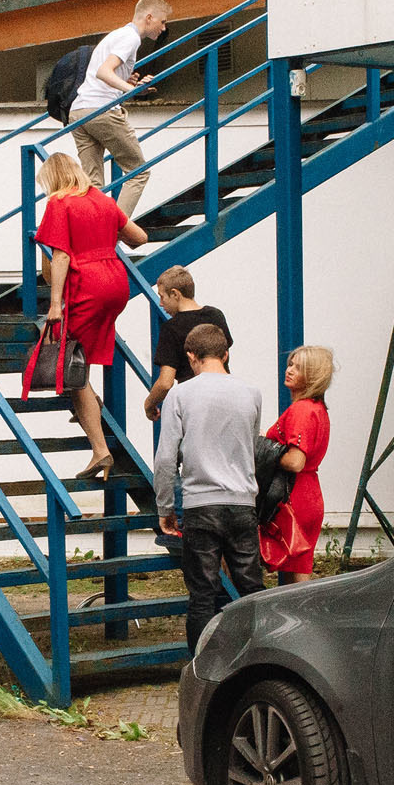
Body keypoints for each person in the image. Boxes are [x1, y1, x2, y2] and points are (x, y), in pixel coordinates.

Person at [34, 150, 149, 480]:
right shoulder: (102, 199)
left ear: (54, 178)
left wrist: (55, 304)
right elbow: (140, 237)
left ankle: (100, 449)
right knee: (83, 352)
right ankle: (92, 404)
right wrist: (102, 235)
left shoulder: (60, 202)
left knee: (73, 364)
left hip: (88, 284)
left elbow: (60, 256)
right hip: (116, 283)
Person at [153, 322, 265, 652]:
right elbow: (253, 446)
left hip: (201, 505)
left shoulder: (180, 394)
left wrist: (165, 509)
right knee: (253, 591)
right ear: (226, 353)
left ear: (190, 357)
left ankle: (200, 671)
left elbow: (165, 459)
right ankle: (258, 664)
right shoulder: (252, 393)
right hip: (243, 503)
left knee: (203, 594)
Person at [71, 0, 170, 216]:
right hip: (101, 110)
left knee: (93, 185)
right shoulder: (131, 38)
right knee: (138, 171)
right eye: (162, 22)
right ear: (149, 17)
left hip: (80, 110)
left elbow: (104, 75)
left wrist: (126, 84)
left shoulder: (117, 35)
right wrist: (133, 91)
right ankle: (113, 231)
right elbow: (103, 71)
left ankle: (91, 233)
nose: (163, 28)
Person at [263, 345, 335, 583]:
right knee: (300, 567)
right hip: (310, 492)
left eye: (299, 368)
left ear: (313, 376)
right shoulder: (318, 409)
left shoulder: (302, 410)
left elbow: (295, 461)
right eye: (290, 364)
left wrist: (263, 452)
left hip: (291, 494)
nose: (290, 370)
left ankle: (235, 606)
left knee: (242, 547)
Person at [142, 266, 231, 423]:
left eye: (162, 297)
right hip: (226, 395)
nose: (161, 304)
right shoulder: (216, 315)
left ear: (175, 294)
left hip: (194, 405)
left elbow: (165, 382)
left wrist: (149, 404)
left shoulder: (171, 328)